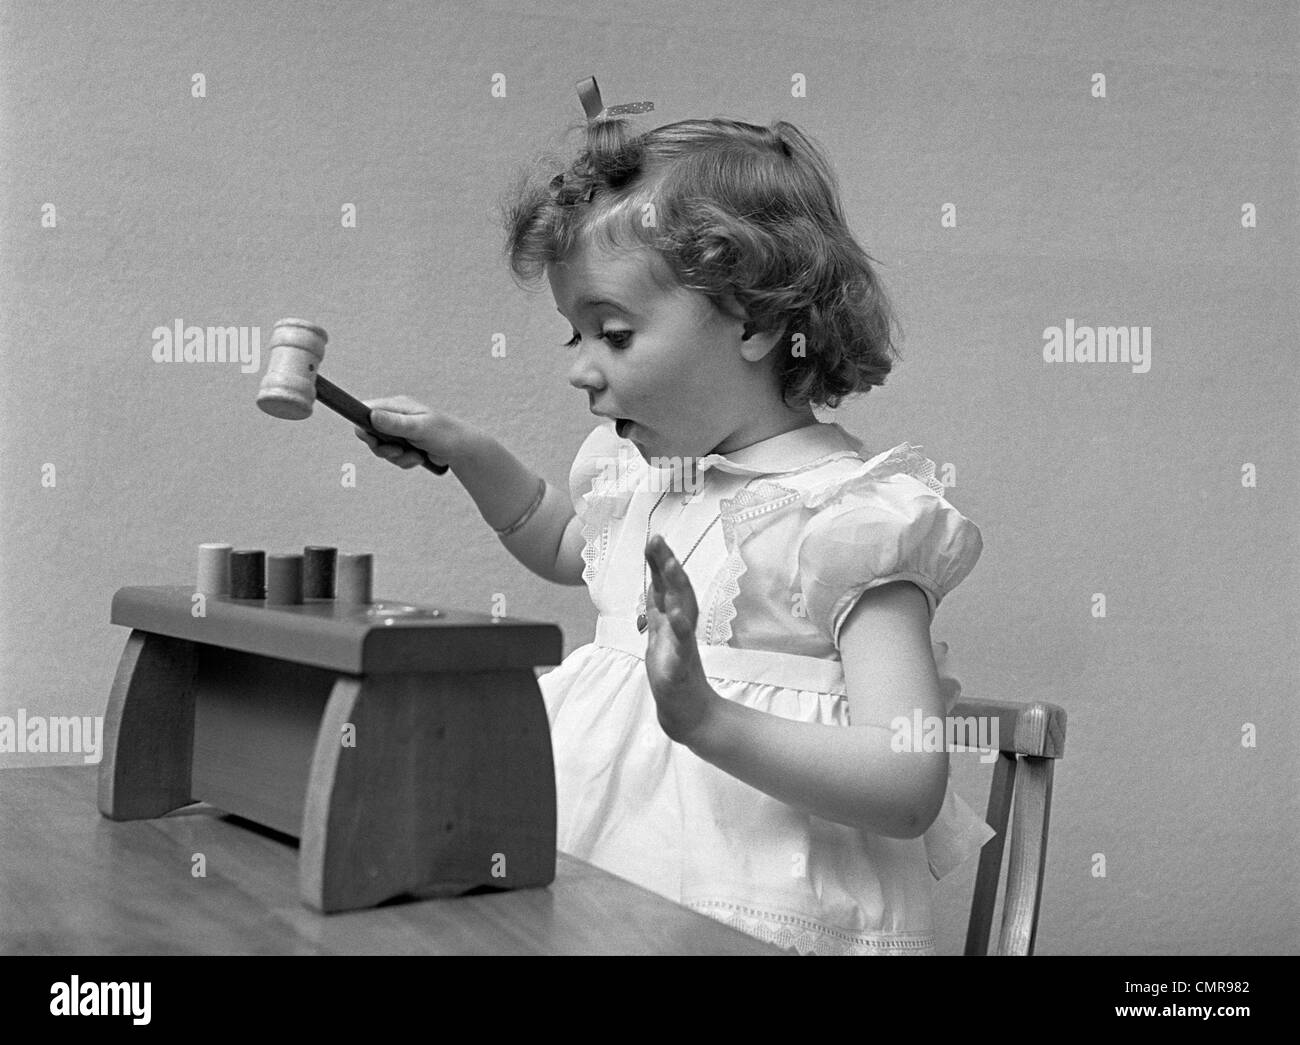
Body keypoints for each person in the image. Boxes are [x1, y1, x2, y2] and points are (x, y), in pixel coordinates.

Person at [355, 90, 993, 955]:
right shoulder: (642, 480)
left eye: (613, 334)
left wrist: (705, 717)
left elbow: (909, 778)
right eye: (571, 335)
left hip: (757, 921)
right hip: (605, 891)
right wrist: (465, 451)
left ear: (758, 321)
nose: (581, 370)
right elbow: (557, 538)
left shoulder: (848, 518)